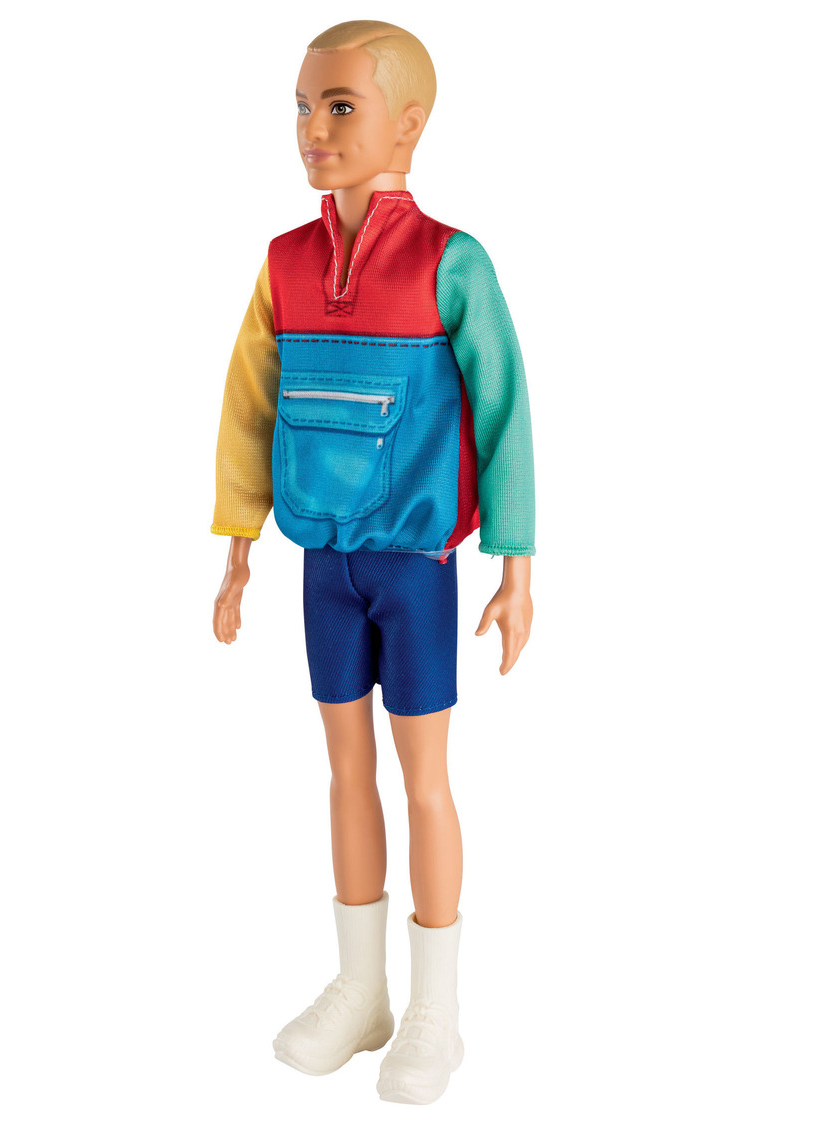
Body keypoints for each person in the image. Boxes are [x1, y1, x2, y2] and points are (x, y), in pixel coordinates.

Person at [210, 19, 535, 1105]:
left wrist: (516, 562)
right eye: (303, 106)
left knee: (423, 779)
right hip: (324, 564)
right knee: (345, 771)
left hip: (415, 568)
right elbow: (250, 405)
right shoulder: (285, 263)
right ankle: (362, 989)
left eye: (340, 105)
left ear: (409, 124)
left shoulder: (451, 261)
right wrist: (238, 547)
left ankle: (437, 1006)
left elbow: (505, 409)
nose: (314, 129)